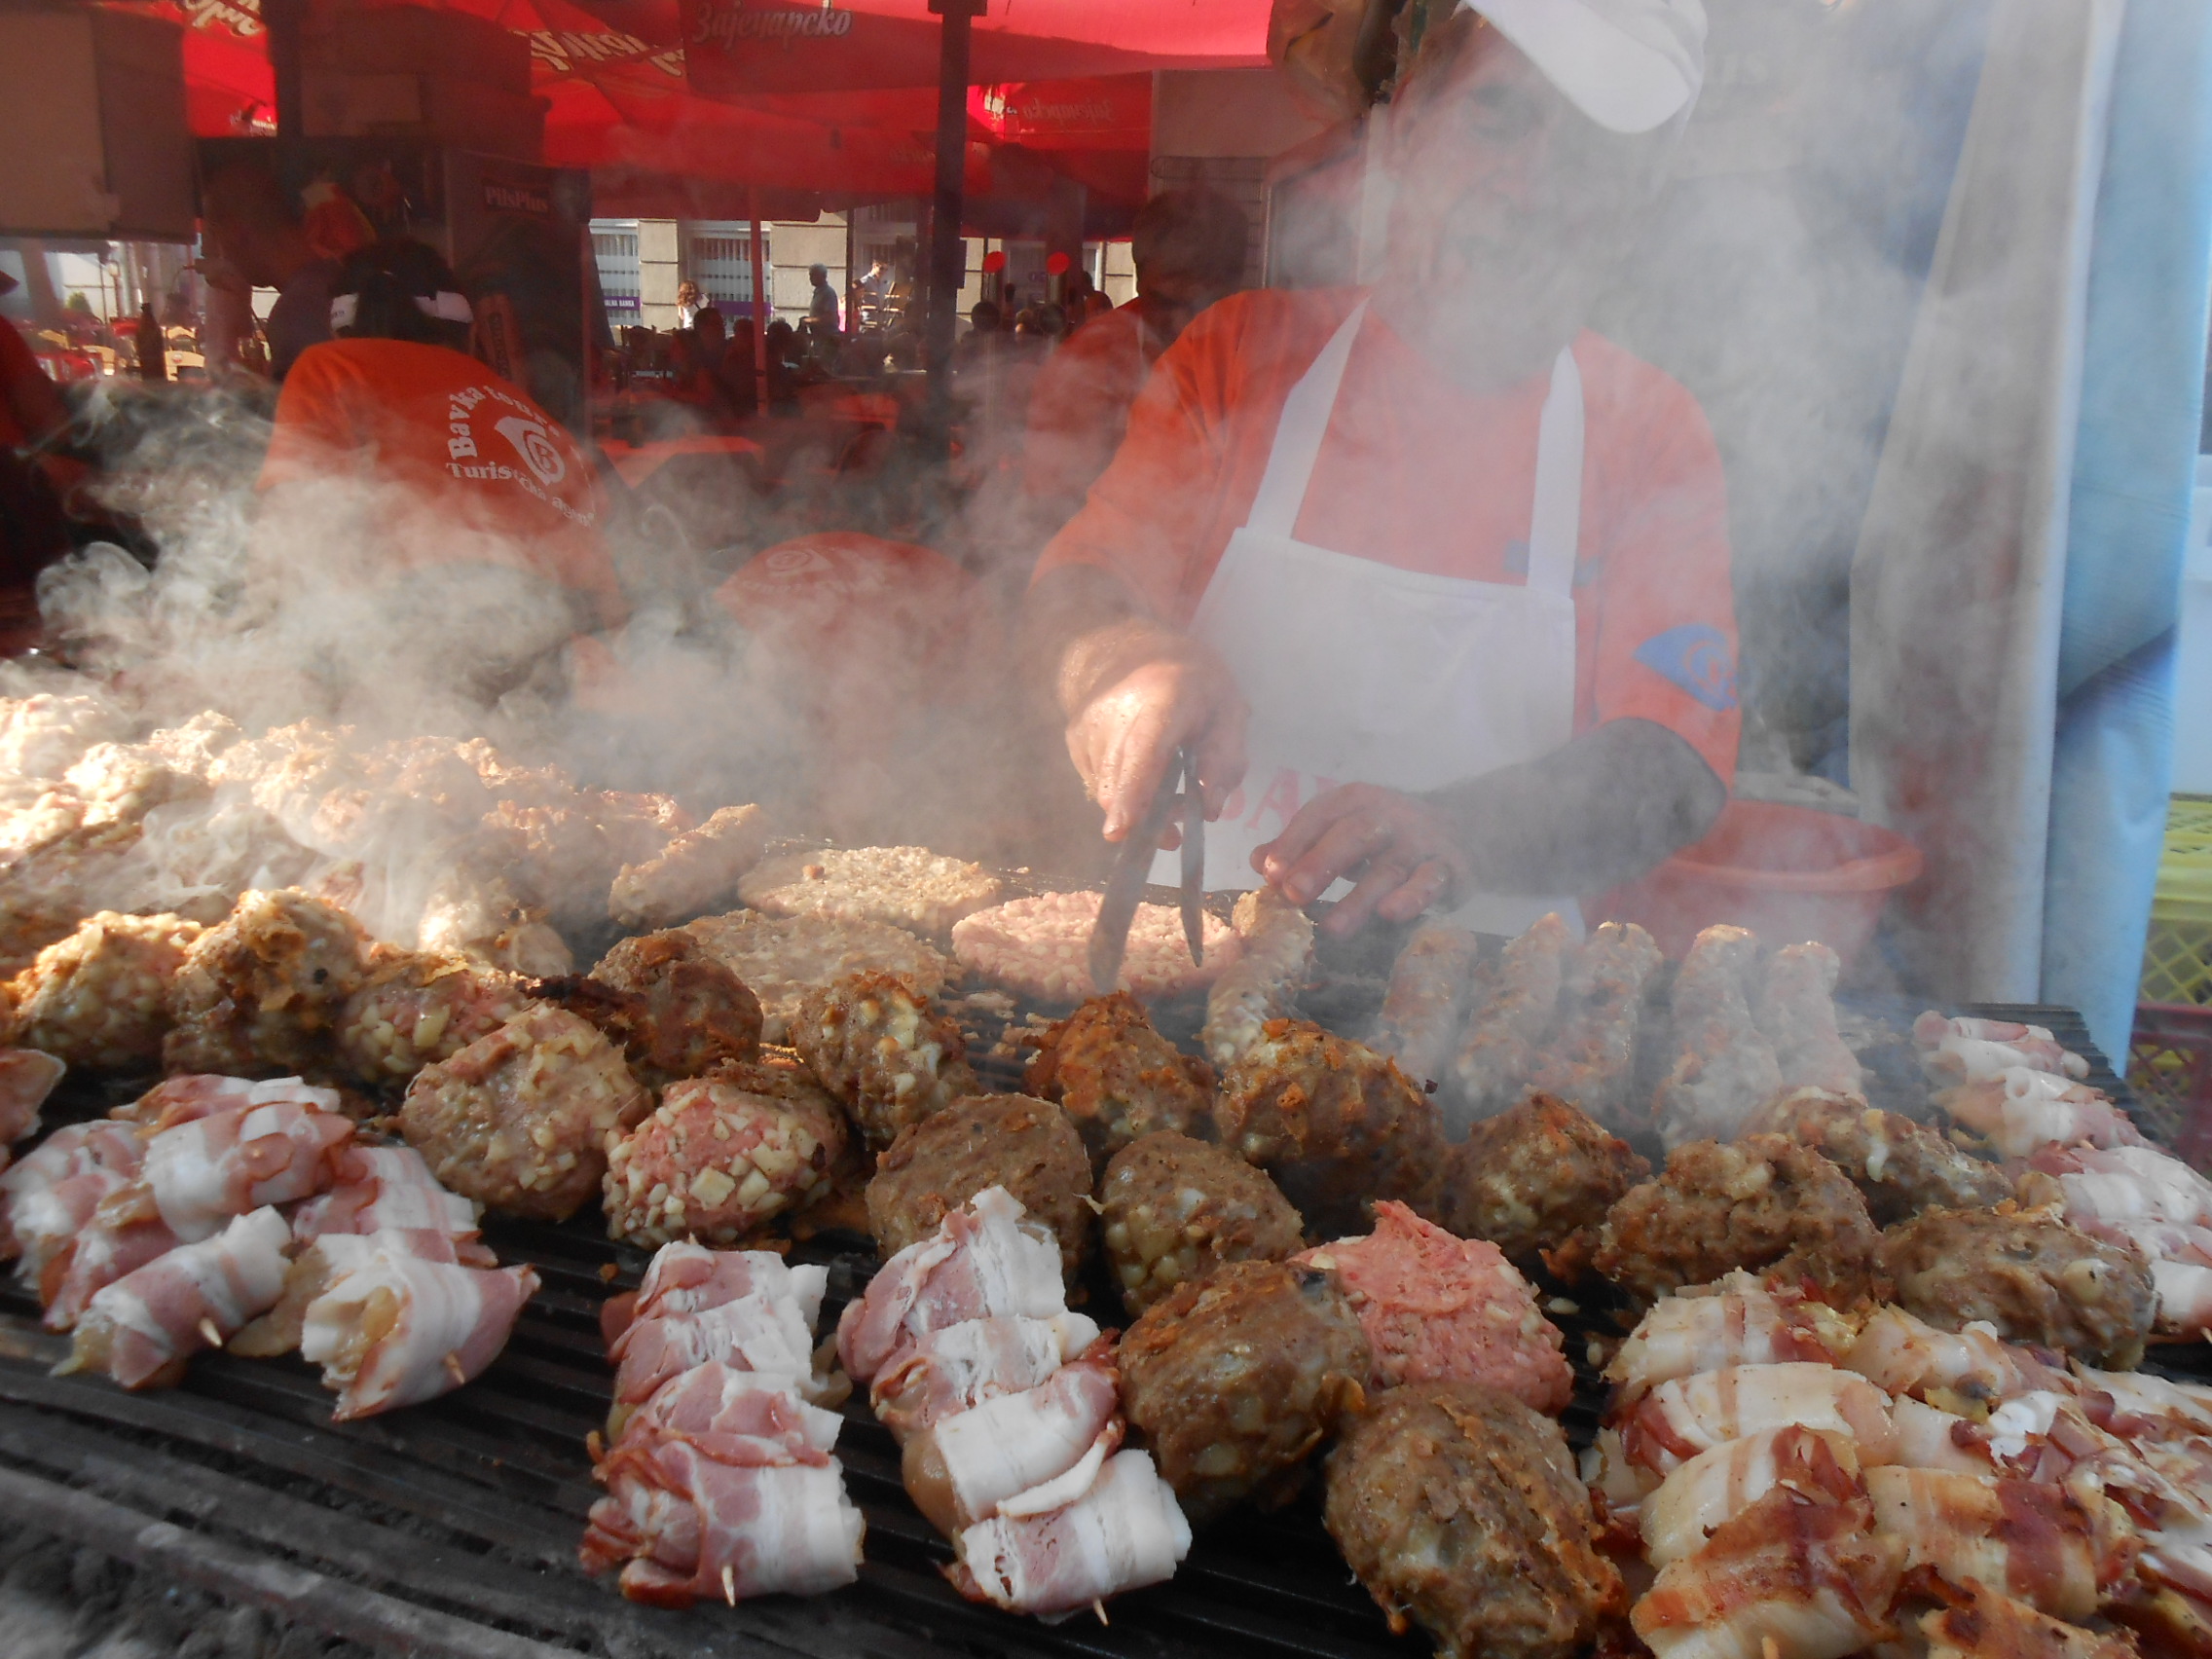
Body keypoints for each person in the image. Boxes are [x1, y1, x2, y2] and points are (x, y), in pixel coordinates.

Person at [1022, 0, 1732, 940]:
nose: (1533, 188)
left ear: (1634, 211)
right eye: (1498, 118)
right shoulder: (1238, 361)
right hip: (1191, 985)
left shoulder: (1651, 432)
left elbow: (1671, 765)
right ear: (1400, 135)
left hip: (1494, 1026)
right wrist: (1117, 663)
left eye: (1595, 156)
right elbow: (1084, 583)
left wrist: (1460, 831)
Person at [255, 238, 626, 702]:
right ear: (465, 330)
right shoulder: (525, 410)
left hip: (418, 638)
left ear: (338, 324)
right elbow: (609, 598)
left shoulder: (329, 367)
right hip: (546, 651)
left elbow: (294, 532)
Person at [1020, 188, 1251, 535]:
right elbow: (1052, 503)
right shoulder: (1089, 362)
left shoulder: (1261, 353)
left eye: (1201, 304)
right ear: (1140, 277)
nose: (1180, 324)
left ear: (1235, 286)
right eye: (1163, 302)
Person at [201, 161, 341, 381]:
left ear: (238, 233)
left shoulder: (295, 315)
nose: (222, 256)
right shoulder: (338, 277)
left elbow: (295, 414)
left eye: (217, 239)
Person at [807, 264, 842, 335]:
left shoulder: (828, 293)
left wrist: (810, 320)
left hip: (827, 336)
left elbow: (831, 317)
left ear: (822, 276)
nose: (810, 278)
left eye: (813, 275)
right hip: (818, 335)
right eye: (810, 275)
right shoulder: (818, 292)